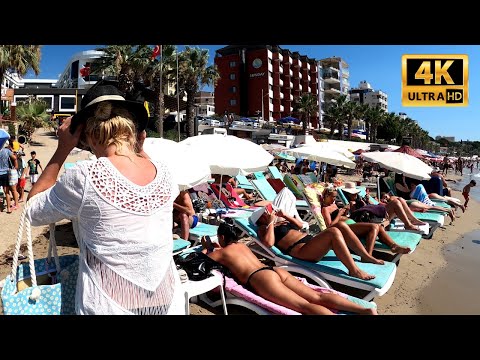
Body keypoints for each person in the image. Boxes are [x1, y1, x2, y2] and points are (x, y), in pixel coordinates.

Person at [26, 80, 185, 314]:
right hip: (168, 302)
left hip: (109, 305)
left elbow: (32, 210)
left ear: (88, 136)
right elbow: (140, 163)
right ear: (132, 131)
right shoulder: (165, 174)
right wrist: (137, 147)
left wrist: (62, 149)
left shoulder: (85, 177)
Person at [201, 220, 377, 315]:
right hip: (275, 271)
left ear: (222, 237)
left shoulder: (222, 253)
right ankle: (364, 310)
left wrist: (206, 246)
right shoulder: (243, 246)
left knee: (304, 306)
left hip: (261, 278)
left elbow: (201, 259)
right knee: (317, 296)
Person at [251, 203, 377, 280]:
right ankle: (354, 270)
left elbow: (300, 226)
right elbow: (268, 243)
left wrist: (284, 216)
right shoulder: (263, 228)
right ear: (260, 218)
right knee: (333, 232)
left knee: (341, 225)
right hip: (301, 250)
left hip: (310, 243)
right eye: (265, 212)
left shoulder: (278, 222)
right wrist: (271, 222)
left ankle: (366, 256)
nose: (269, 212)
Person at [320, 186, 411, 257]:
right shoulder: (325, 209)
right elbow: (330, 226)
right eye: (333, 197)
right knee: (373, 226)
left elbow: (342, 216)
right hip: (344, 227)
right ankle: (368, 255)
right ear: (327, 196)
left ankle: (393, 246)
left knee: (378, 227)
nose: (334, 199)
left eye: (335, 197)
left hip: (351, 223)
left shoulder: (334, 205)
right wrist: (340, 213)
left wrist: (346, 212)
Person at [0, 142, 19, 213]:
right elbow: (14, 158)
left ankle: (0, 208)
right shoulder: (6, 151)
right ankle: (8, 208)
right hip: (5, 173)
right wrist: (16, 166)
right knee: (7, 192)